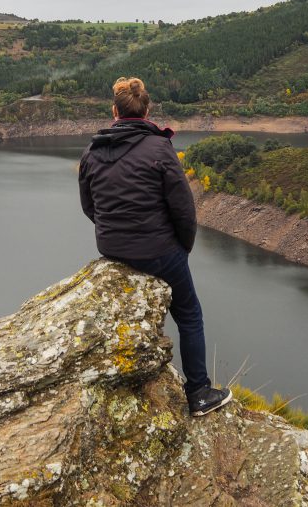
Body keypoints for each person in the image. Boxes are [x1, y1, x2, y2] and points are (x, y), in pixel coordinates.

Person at [78, 76, 231, 416]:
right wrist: (182, 249)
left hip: (112, 249)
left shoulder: (91, 151)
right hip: (160, 252)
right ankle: (199, 393)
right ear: (147, 110)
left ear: (114, 111)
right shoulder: (160, 148)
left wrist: (114, 234)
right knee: (190, 316)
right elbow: (184, 210)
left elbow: (89, 206)